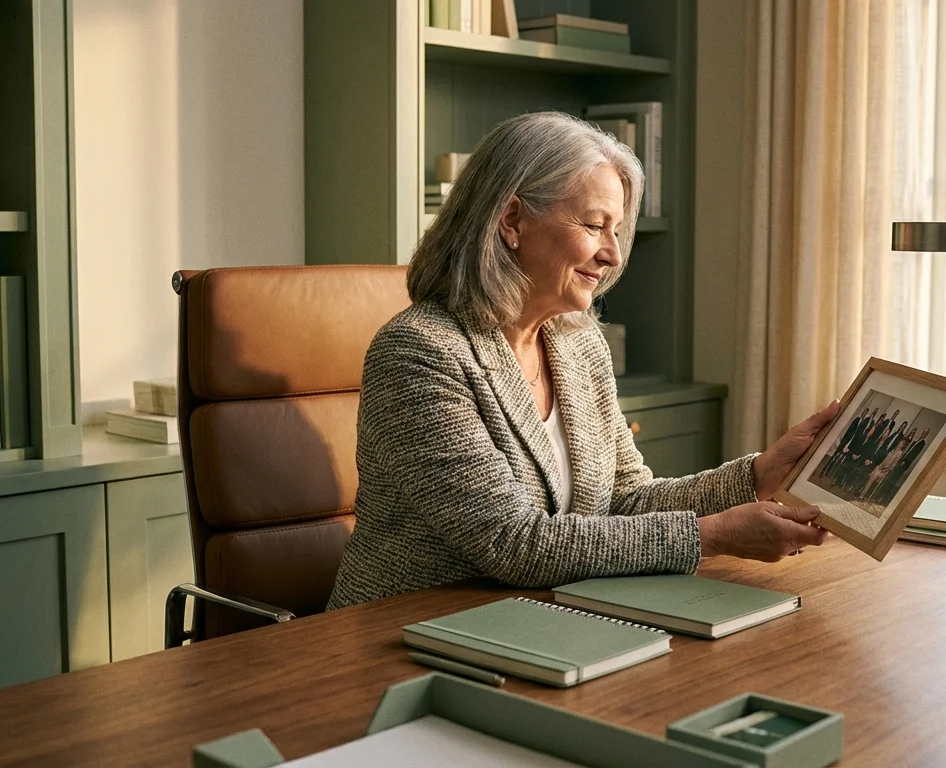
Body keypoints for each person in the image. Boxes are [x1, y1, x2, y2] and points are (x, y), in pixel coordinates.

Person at [327, 112, 836, 607]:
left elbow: (626, 502)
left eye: (616, 231)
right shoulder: (419, 352)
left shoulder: (578, 345)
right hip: (405, 637)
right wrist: (712, 537)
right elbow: (512, 543)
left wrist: (760, 474)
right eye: (595, 226)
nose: (613, 254)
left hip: (548, 618)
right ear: (512, 220)